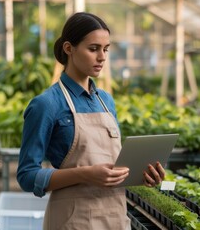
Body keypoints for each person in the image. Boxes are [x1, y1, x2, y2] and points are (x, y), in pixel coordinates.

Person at [16, 12, 166, 230]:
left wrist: (142, 175)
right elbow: (27, 176)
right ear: (69, 48)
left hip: (115, 217)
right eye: (93, 48)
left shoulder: (106, 101)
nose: (102, 57)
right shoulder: (46, 104)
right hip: (72, 221)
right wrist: (86, 174)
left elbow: (114, 165)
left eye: (105, 49)